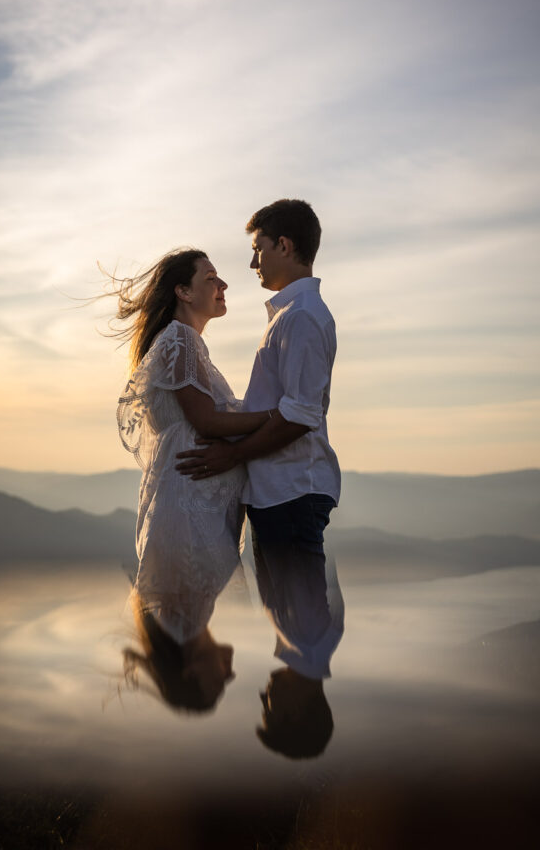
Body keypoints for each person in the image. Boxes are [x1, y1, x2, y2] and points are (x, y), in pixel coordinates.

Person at [176, 200, 343, 743]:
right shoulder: (291, 318)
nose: (252, 264)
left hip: (293, 492)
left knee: (297, 613)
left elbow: (299, 415)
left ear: (284, 246)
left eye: (258, 249)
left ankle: (299, 750)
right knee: (290, 614)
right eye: (274, 707)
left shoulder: (304, 319)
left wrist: (231, 454)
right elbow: (282, 407)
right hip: (278, 492)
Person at [112, 248, 277, 709]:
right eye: (211, 278)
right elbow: (204, 420)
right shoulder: (180, 341)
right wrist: (279, 416)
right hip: (189, 518)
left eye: (219, 278)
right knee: (188, 613)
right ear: (183, 292)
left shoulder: (184, 343)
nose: (222, 286)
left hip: (190, 512)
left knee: (186, 616)